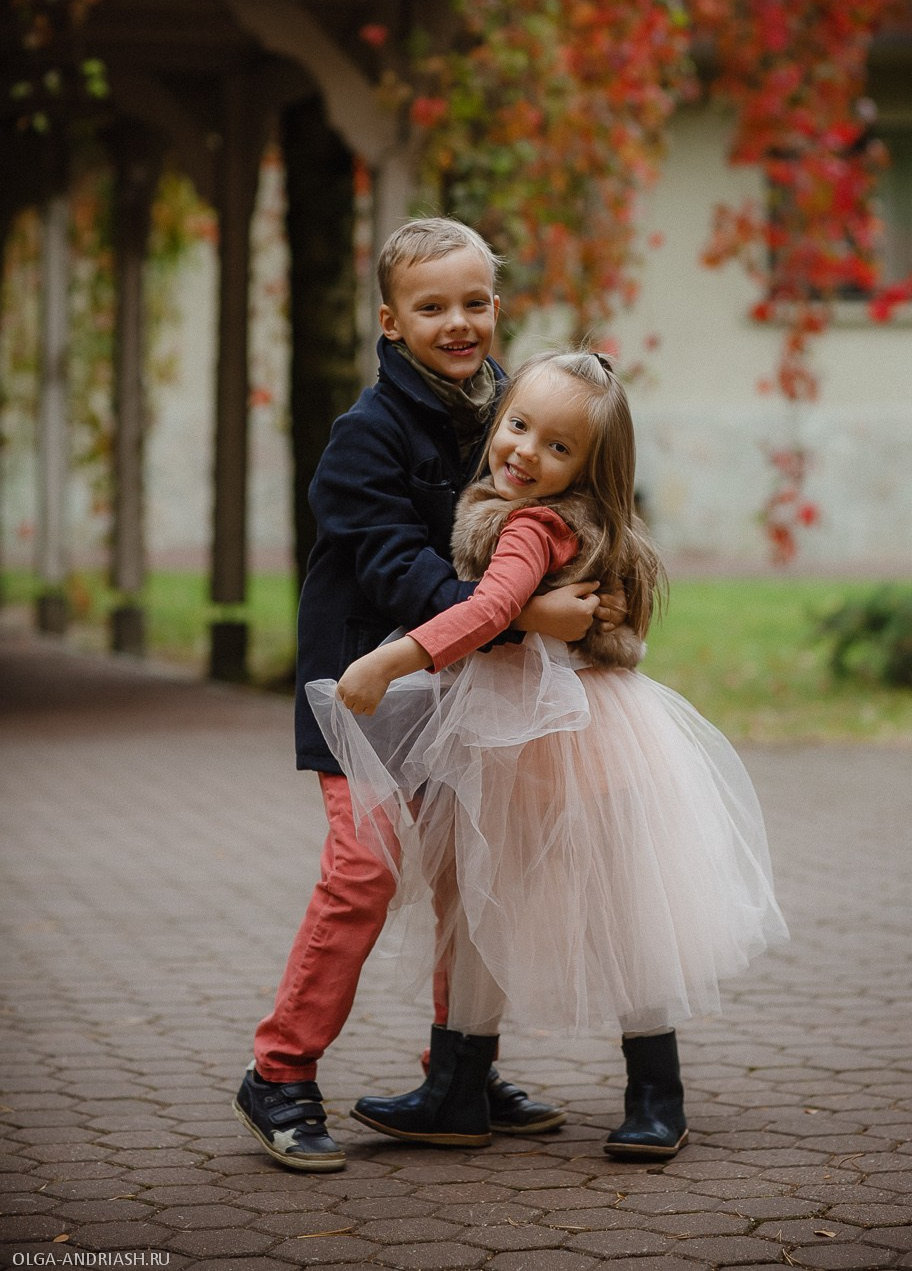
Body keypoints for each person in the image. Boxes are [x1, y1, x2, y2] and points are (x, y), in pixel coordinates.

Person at [307, 349, 789, 1160]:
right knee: (492, 902)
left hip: (562, 739)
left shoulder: (531, 522)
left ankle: (644, 1093)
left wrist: (389, 661)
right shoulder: (566, 514)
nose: (526, 452)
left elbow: (489, 610)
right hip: (534, 732)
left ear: (590, 467)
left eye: (558, 446)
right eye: (519, 426)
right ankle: (467, 1087)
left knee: (601, 904)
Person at [234, 221, 623, 1171]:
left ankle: (460, 1070)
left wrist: (597, 588)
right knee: (363, 872)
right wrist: (529, 615)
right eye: (432, 306)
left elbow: (563, 513)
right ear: (391, 322)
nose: (458, 322)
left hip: (462, 694)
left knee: (469, 877)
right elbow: (399, 570)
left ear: (496, 308)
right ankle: (279, 1073)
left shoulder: (507, 414)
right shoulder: (364, 437)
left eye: (475, 303)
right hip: (365, 693)